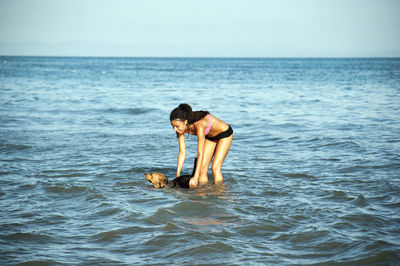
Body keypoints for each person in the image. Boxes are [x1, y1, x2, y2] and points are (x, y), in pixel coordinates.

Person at [170, 103, 233, 188]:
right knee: (202, 170)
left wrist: (195, 178)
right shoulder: (181, 129)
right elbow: (182, 152)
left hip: (224, 134)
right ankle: (203, 194)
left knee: (215, 168)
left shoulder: (199, 126)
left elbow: (200, 153)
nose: (175, 129)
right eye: (173, 126)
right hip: (210, 137)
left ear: (185, 122)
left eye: (177, 126)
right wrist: (177, 176)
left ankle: (220, 193)